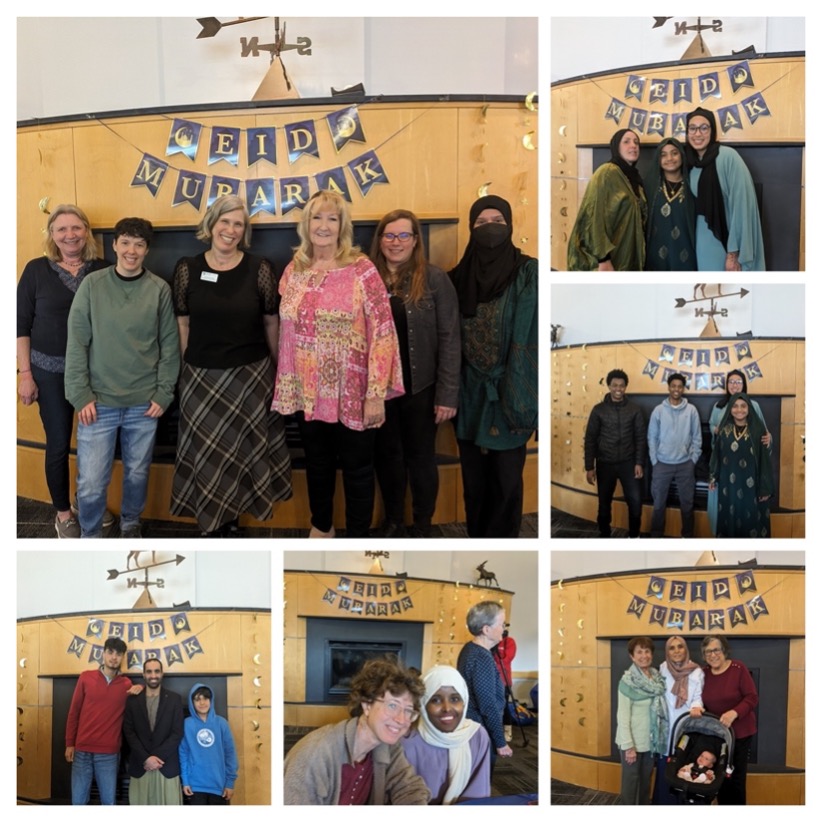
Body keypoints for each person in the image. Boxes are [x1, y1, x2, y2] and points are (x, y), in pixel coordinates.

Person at [274, 190, 404, 538]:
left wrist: (376, 392)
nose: (324, 225)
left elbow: (384, 331)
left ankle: (358, 537)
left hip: (354, 391)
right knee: (317, 464)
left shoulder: (362, 270)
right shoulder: (294, 271)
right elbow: (286, 332)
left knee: (359, 468)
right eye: (317, 217)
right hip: (309, 392)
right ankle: (322, 527)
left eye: (332, 218)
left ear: (343, 226)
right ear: (306, 225)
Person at [171, 195, 292, 536]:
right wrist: (185, 370)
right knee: (209, 455)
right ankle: (212, 524)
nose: (231, 229)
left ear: (245, 231)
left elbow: (272, 321)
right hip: (200, 378)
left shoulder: (260, 268)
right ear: (211, 224)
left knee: (244, 452)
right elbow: (183, 324)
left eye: (238, 223)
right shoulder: (187, 268)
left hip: (250, 377)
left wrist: (278, 369)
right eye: (225, 221)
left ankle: (234, 521)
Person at [64, 217, 180, 538]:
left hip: (144, 405)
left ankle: (131, 524)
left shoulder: (158, 290)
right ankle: (90, 536)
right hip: (96, 404)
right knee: (90, 482)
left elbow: (170, 346)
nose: (132, 250)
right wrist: (80, 394)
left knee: (137, 473)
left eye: (139, 244)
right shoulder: (92, 286)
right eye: (125, 242)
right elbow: (77, 343)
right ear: (114, 245)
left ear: (146, 250)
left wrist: (163, 393)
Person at [16, 204, 110, 538]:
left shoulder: (103, 270)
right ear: (52, 235)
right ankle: (63, 512)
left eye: (76, 228)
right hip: (48, 373)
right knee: (58, 443)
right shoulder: (36, 270)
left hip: (94, 374)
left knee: (94, 444)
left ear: (86, 232)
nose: (70, 235)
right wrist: (24, 374)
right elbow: (20, 325)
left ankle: (88, 502)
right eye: (61, 229)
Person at [449, 195, 538, 537]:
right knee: (473, 481)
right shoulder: (456, 279)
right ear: (472, 228)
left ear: (510, 225)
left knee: (505, 482)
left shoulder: (527, 273)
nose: (490, 228)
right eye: (481, 222)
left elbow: (531, 339)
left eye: (497, 220)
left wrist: (526, 395)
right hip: (469, 395)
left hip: (512, 390)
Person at [369, 209, 460, 537]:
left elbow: (450, 338)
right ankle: (393, 521)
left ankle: (422, 524)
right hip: (378, 391)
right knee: (387, 458)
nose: (395, 242)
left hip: (421, 389)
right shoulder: (366, 279)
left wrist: (448, 394)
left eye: (403, 235)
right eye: (389, 235)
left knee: (421, 460)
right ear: (380, 240)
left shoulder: (434, 279)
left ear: (415, 240)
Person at [284, 657, 430, 805]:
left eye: (408, 711)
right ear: (367, 705)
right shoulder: (314, 755)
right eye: (392, 706)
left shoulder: (389, 746)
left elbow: (410, 788)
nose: (401, 719)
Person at [65, 637, 143, 805]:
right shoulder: (86, 677)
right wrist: (70, 743)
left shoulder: (126, 684)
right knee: (78, 802)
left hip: (108, 754)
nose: (114, 657)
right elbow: (74, 712)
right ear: (103, 654)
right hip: (82, 751)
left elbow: (141, 694)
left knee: (109, 802)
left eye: (119, 654)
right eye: (110, 652)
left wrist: (141, 687)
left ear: (123, 657)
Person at [685, 107, 765, 271]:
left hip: (726, 243)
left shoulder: (728, 157)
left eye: (704, 128)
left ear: (712, 130)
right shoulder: (689, 163)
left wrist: (733, 254)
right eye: (692, 128)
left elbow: (742, 207)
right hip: (701, 243)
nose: (698, 133)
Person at [401, 665, 490, 804]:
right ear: (423, 703)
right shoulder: (407, 740)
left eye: (455, 699)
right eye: (435, 700)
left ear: (464, 701)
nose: (447, 708)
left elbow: (478, 793)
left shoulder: (476, 736)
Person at [567, 129, 647, 271]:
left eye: (636, 142)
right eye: (626, 142)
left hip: (629, 256)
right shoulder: (607, 172)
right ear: (616, 147)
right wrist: (603, 258)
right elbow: (594, 216)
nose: (633, 145)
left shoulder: (635, 179)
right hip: (609, 260)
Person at [707, 370, 771, 535]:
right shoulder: (719, 407)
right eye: (731, 382)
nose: (739, 410)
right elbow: (716, 445)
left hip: (750, 477)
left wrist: (768, 438)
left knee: (750, 518)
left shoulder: (754, 408)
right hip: (727, 475)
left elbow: (763, 438)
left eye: (738, 381)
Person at [584, 369, 646, 538]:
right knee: (604, 504)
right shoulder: (598, 410)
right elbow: (590, 439)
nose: (618, 389)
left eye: (622, 386)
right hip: (605, 463)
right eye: (614, 385)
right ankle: (605, 535)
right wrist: (589, 466)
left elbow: (640, 438)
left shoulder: (635, 410)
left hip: (628, 463)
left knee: (635, 502)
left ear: (626, 387)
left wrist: (639, 463)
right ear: (609, 386)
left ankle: (635, 536)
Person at [697, 635, 758, 804]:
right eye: (708, 651)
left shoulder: (738, 668)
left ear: (724, 651)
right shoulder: (703, 673)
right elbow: (697, 697)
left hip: (740, 734)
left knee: (736, 779)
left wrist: (734, 712)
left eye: (716, 649)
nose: (712, 654)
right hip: (717, 735)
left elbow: (752, 697)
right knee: (719, 777)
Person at [456, 601, 512, 773]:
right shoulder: (482, 657)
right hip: (479, 730)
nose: (503, 629)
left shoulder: (469, 649)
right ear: (486, 630)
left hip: (471, 727)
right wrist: (500, 741)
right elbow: (488, 704)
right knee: (479, 781)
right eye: (501, 624)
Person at [122, 657, 184, 805]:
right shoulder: (132, 700)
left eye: (157, 671)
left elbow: (177, 733)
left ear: (162, 673)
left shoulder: (175, 699)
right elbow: (129, 732)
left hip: (166, 766)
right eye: (149, 672)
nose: (153, 675)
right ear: (143, 674)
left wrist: (156, 758)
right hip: (141, 766)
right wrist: (146, 758)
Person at [647, 373, 702, 538]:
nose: (676, 389)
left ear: (683, 388)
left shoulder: (692, 410)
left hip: (685, 464)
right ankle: (656, 536)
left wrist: (693, 460)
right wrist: (654, 460)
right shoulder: (658, 410)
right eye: (673, 386)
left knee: (687, 504)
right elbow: (652, 437)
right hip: (662, 464)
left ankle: (688, 535)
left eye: (680, 386)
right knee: (658, 504)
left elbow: (697, 437)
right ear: (669, 387)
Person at [615, 636, 668, 805]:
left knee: (646, 785)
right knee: (631, 787)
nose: (644, 655)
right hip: (632, 743)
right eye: (639, 652)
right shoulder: (627, 681)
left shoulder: (657, 677)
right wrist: (629, 746)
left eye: (647, 651)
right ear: (632, 656)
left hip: (650, 742)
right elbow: (622, 717)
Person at [654, 635, 704, 804]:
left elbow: (698, 697)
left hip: (686, 725)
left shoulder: (697, 672)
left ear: (686, 649)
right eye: (672, 648)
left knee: (682, 765)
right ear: (667, 651)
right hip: (666, 727)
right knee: (664, 768)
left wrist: (697, 706)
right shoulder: (663, 668)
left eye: (680, 647)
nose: (676, 651)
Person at [180, 683, 238, 805]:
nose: (202, 703)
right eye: (197, 699)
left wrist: (230, 782)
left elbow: (230, 754)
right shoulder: (187, 724)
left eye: (205, 698)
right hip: (195, 786)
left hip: (219, 786)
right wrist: (185, 781)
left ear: (211, 700)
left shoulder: (222, 723)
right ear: (192, 703)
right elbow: (183, 754)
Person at [643, 137, 697, 270]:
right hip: (655, 257)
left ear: (682, 156)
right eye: (663, 155)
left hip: (687, 255)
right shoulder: (649, 186)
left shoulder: (693, 186)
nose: (669, 158)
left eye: (674, 153)